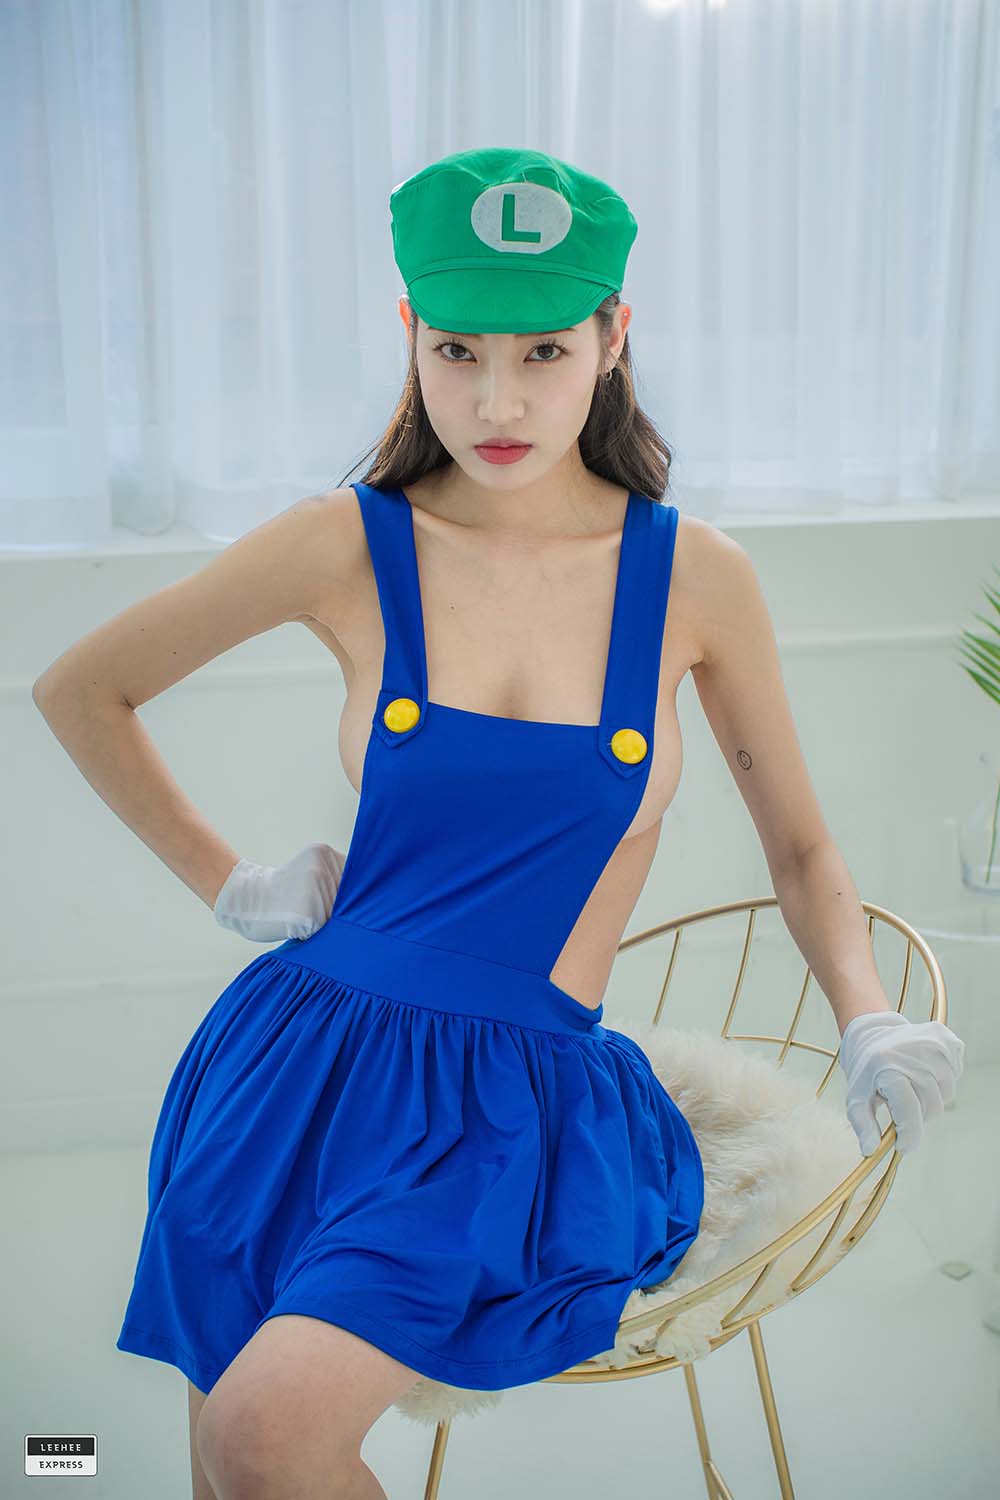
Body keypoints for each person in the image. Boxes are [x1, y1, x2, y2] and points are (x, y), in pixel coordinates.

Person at [32, 147, 964, 1500]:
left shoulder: (694, 577)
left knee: (262, 1439)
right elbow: (81, 690)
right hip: (288, 1068)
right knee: (224, 1464)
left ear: (613, 337)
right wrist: (231, 883)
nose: (497, 401)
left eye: (543, 353)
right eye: (458, 352)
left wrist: (867, 1014)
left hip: (511, 1108)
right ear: (411, 333)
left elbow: (804, 848)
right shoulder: (344, 543)